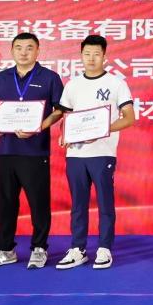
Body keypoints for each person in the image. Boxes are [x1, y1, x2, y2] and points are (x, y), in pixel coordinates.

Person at [0, 32, 65, 269]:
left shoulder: (50, 78)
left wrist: (39, 127)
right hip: (6, 150)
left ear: (37, 51)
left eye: (29, 48)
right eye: (18, 47)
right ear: (12, 51)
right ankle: (5, 249)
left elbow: (60, 110)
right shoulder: (1, 78)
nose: (24, 52)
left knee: (38, 202)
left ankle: (39, 248)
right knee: (6, 202)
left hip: (35, 151)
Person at [54, 35, 136, 270]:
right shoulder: (73, 85)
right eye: (87, 54)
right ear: (81, 56)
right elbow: (66, 117)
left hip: (102, 152)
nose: (91, 58)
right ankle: (78, 249)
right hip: (75, 154)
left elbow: (129, 118)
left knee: (104, 203)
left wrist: (101, 130)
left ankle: (104, 248)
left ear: (105, 57)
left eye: (96, 54)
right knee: (78, 205)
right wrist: (64, 134)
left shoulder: (116, 83)